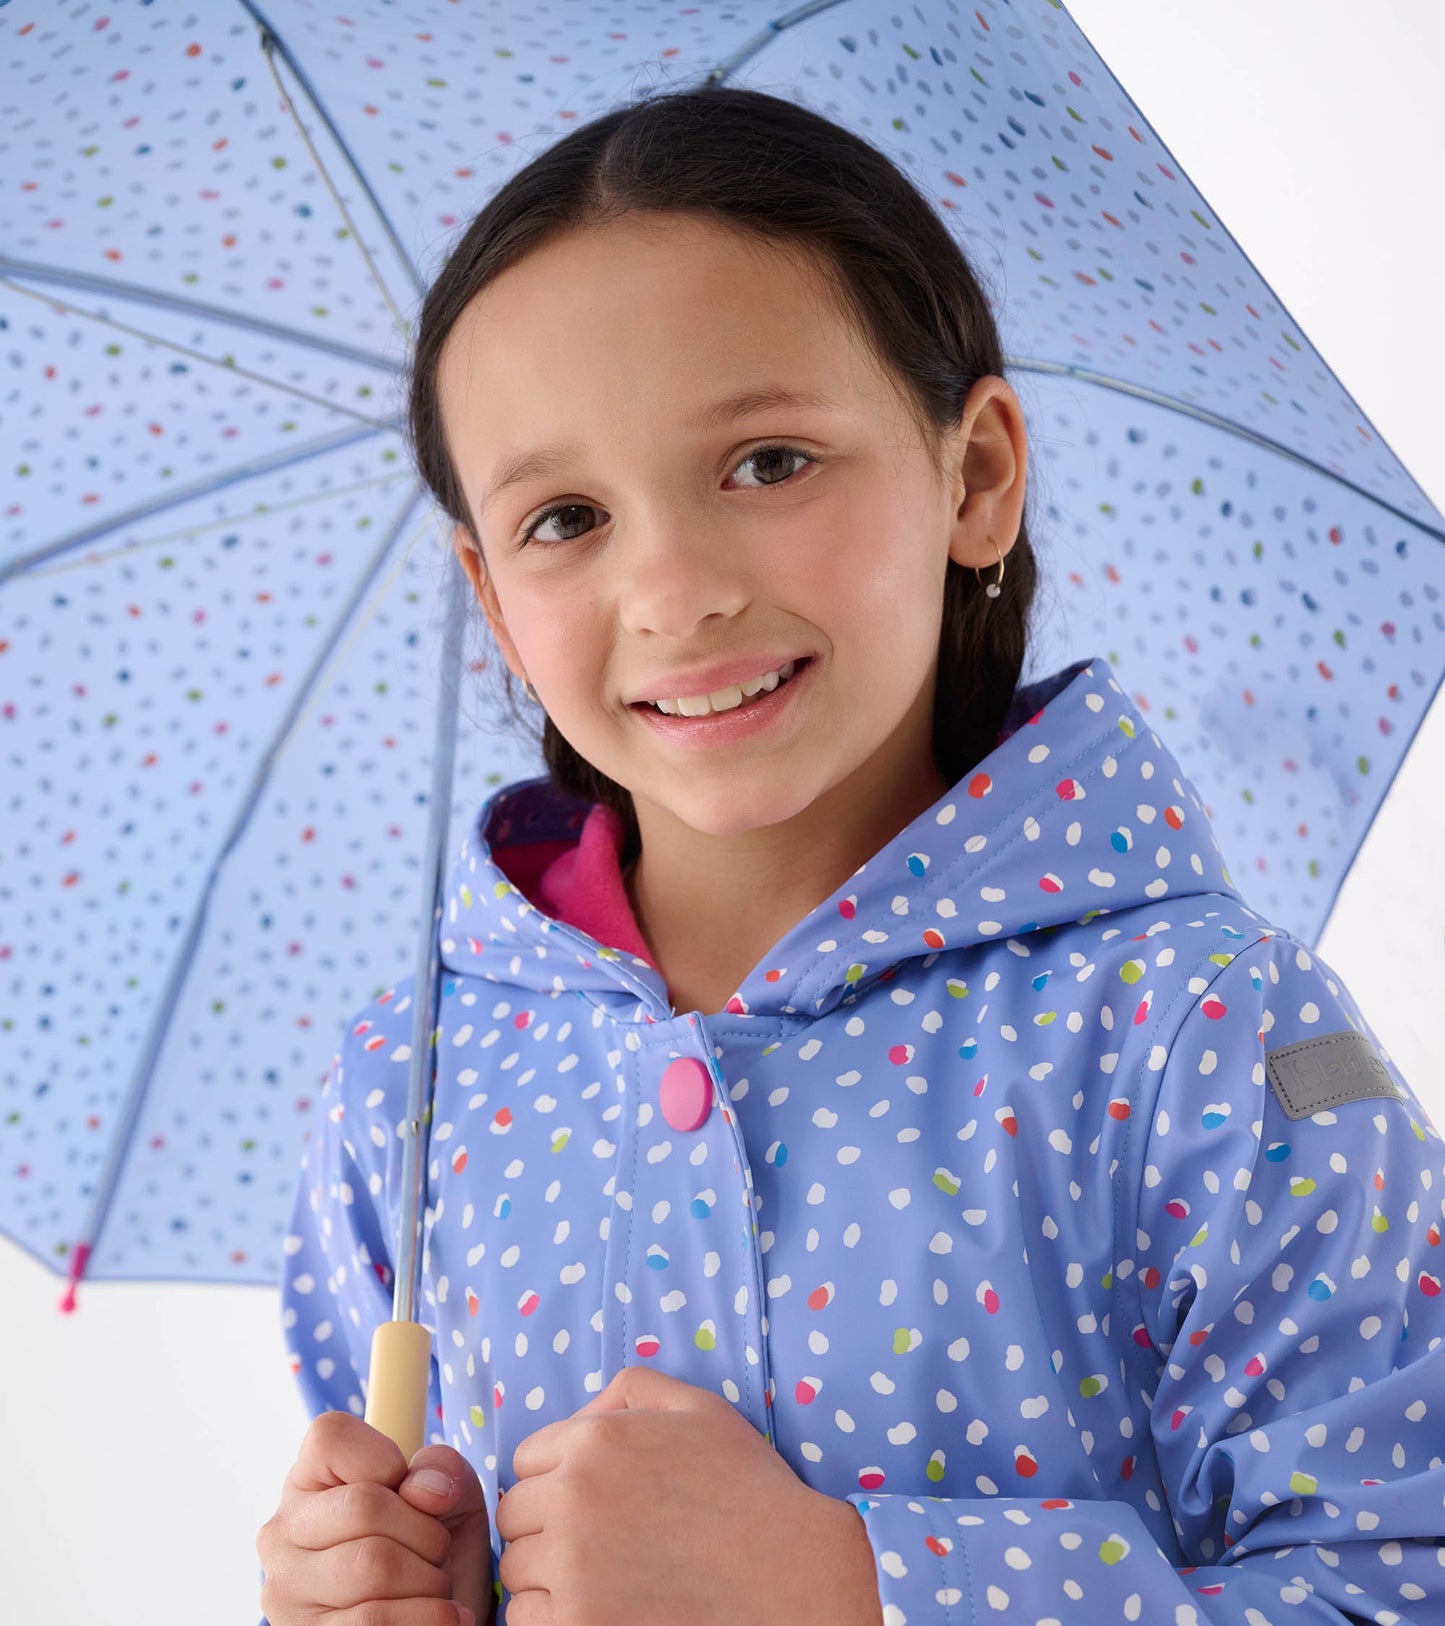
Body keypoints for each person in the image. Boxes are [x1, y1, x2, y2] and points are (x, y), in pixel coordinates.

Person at [255, 84, 1445, 1626]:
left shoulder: (1200, 1035)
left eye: (765, 462)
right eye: (564, 516)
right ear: (488, 595)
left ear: (975, 474)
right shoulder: (409, 1089)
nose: (673, 589)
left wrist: (853, 1586)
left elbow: (1393, 1580)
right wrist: (382, 1589)